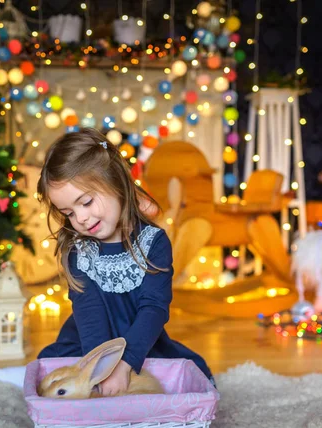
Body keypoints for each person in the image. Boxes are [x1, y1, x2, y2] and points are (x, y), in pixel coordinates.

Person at [37, 128, 214, 396]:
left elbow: (153, 309)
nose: (81, 218)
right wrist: (99, 370)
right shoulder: (79, 250)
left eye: (86, 202)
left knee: (179, 375)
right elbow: (90, 313)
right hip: (91, 343)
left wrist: (126, 363)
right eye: (69, 213)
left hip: (140, 339)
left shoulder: (153, 242)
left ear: (116, 182)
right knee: (50, 368)